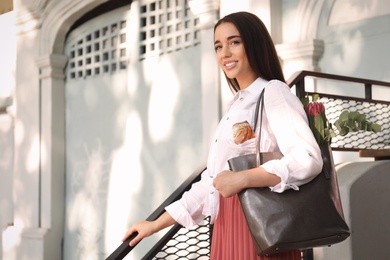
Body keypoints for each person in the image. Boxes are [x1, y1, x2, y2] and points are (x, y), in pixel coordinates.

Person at [122, 11, 323, 259]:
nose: (224, 53)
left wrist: (243, 178)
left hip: (259, 226)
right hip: (226, 224)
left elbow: (308, 158)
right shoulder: (236, 105)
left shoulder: (273, 92)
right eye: (218, 46)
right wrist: (154, 225)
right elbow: (211, 182)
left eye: (234, 42)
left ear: (254, 44)